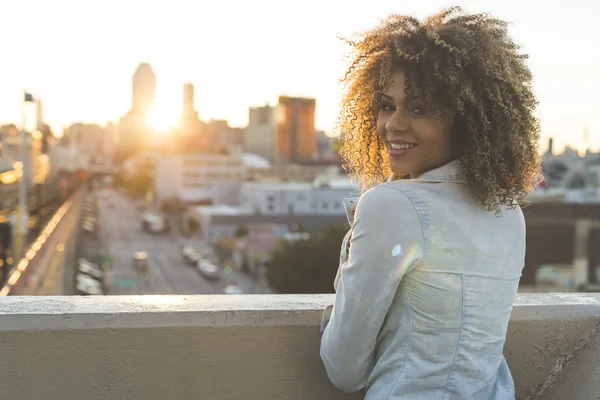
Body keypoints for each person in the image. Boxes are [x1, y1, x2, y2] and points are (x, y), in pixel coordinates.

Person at [320, 7, 541, 399]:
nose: (393, 124)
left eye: (419, 109)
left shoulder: (393, 205)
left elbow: (343, 368)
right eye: (386, 105)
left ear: (466, 119)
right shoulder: (508, 213)